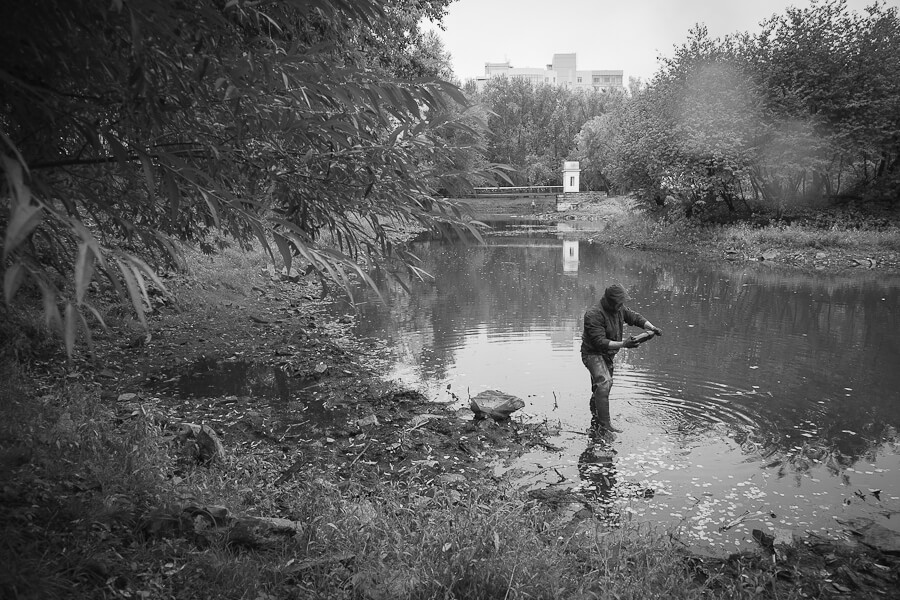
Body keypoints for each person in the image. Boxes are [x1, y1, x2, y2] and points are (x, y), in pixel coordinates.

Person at [581, 283, 662, 433]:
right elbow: (600, 341)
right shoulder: (593, 314)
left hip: (608, 355)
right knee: (604, 384)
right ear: (610, 301)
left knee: (600, 389)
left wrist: (651, 328)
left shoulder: (619, 309)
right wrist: (624, 344)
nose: (621, 306)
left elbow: (634, 317)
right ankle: (605, 426)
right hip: (593, 353)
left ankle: (595, 417)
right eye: (619, 303)